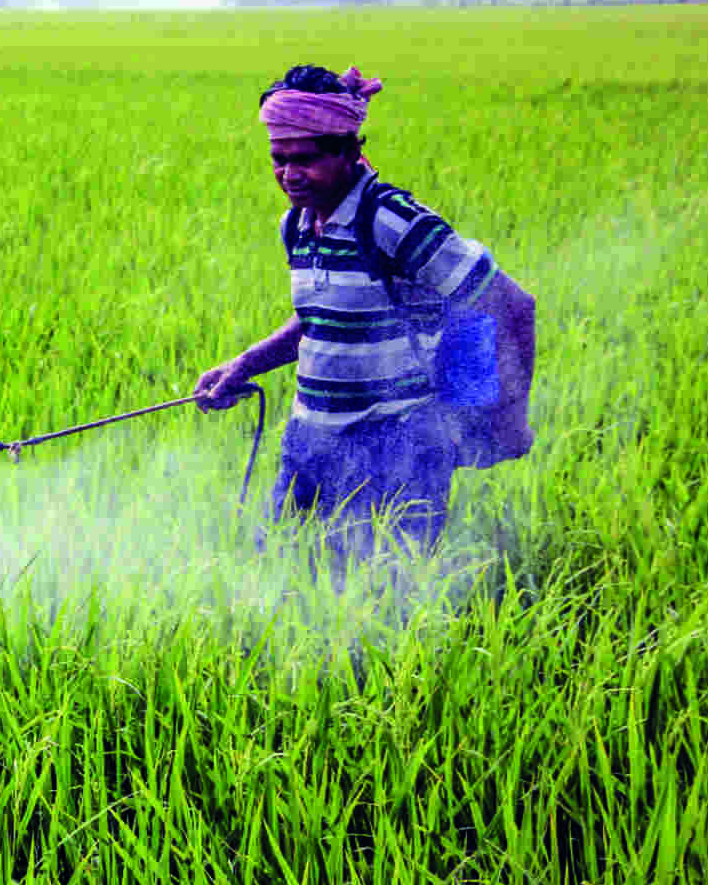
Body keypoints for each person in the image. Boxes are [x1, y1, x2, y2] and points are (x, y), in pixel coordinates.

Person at [195, 64, 535, 582]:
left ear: (349, 151)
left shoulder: (391, 221)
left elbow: (508, 303)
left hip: (399, 441)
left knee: (391, 596)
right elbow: (322, 320)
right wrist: (243, 366)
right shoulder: (299, 224)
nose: (289, 173)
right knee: (280, 574)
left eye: (305, 159)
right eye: (278, 158)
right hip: (311, 436)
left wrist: (506, 419)